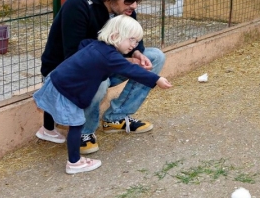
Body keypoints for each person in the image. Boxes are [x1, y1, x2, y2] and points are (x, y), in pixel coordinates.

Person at [36, 0, 166, 153]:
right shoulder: (78, 4)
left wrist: (137, 53)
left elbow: (135, 40)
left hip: (105, 63)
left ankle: (116, 117)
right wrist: (124, 63)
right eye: (129, 0)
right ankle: (84, 132)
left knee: (156, 57)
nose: (134, 5)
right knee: (99, 80)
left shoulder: (125, 10)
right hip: (66, 72)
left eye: (137, 0)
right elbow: (73, 55)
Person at [34, 15, 172, 174]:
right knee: (77, 123)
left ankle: (46, 130)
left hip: (55, 81)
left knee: (51, 106)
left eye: (136, 41)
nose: (134, 45)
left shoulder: (97, 45)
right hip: (66, 89)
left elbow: (83, 44)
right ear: (115, 36)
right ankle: (74, 162)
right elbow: (132, 71)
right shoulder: (109, 56)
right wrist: (157, 79)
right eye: (132, 40)